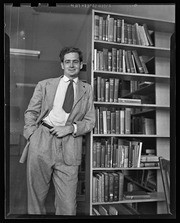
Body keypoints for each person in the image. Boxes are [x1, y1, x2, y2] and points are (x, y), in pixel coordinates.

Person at [19, 47, 95, 215]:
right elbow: (31, 112)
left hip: (70, 145)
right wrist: (33, 134)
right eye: (67, 62)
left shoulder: (87, 89)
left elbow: (90, 121)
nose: (71, 65)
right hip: (42, 141)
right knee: (36, 198)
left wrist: (70, 128)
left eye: (75, 61)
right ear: (62, 65)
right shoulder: (45, 85)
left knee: (68, 205)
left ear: (81, 64)